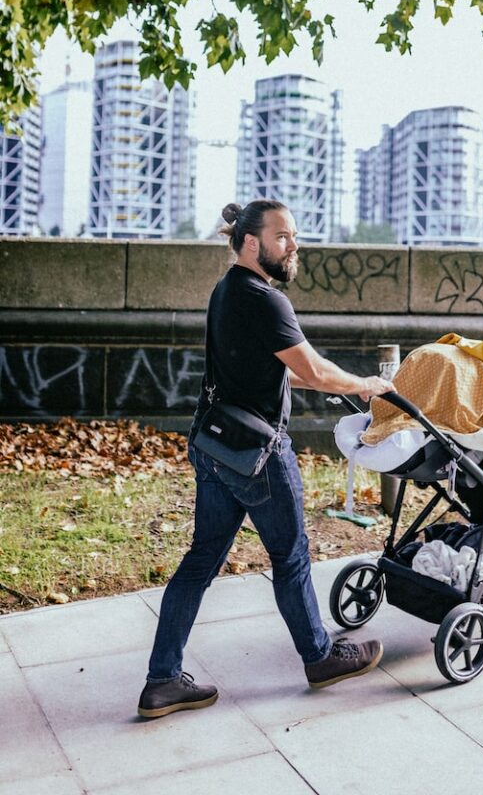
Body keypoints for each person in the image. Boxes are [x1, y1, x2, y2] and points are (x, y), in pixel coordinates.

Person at [137, 199, 395, 719]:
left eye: (294, 237)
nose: (294, 245)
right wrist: (364, 384)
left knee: (201, 560)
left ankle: (162, 680)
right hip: (258, 456)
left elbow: (278, 368)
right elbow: (317, 371)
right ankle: (321, 657)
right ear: (252, 242)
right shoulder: (266, 300)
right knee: (292, 554)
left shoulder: (227, 290)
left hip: (216, 446)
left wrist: (322, 384)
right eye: (283, 237)